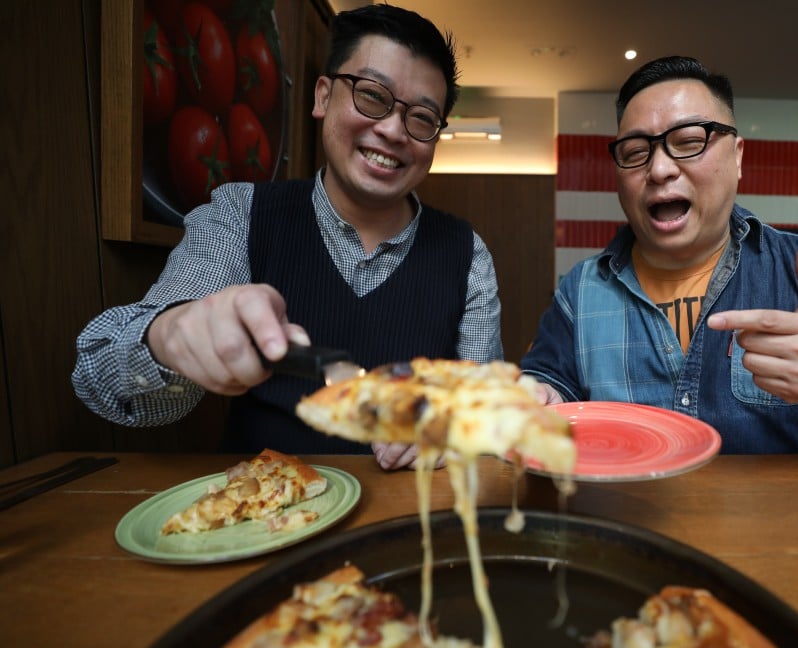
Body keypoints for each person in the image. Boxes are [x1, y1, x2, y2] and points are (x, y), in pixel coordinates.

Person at [72, 4, 502, 469]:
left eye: (421, 118)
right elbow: (100, 379)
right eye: (373, 95)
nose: (394, 130)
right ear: (322, 96)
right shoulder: (242, 215)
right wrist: (169, 337)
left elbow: (484, 412)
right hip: (254, 512)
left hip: (403, 519)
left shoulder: (467, 254)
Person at [520, 55, 798, 456]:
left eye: (688, 141)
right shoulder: (582, 287)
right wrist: (536, 397)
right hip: (625, 520)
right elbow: (550, 384)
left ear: (738, 157)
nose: (660, 169)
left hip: (769, 529)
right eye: (634, 153)